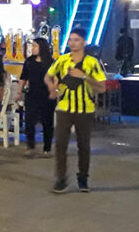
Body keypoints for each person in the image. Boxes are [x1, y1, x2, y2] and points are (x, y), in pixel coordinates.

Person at [45, 28, 106, 193]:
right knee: (60, 144)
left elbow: (102, 87)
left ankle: (83, 178)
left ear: (84, 42)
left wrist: (84, 76)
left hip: (85, 109)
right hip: (64, 108)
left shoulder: (92, 62)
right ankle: (61, 178)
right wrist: (52, 87)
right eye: (71, 39)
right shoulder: (62, 60)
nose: (73, 43)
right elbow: (48, 75)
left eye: (77, 39)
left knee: (84, 145)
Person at [20, 37, 55, 158]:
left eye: (35, 46)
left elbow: (57, 79)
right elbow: (23, 77)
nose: (32, 48)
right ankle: (30, 146)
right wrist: (19, 91)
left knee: (47, 122)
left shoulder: (51, 62)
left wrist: (54, 90)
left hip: (47, 96)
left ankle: (47, 148)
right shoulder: (29, 61)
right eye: (32, 46)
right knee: (29, 121)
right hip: (32, 95)